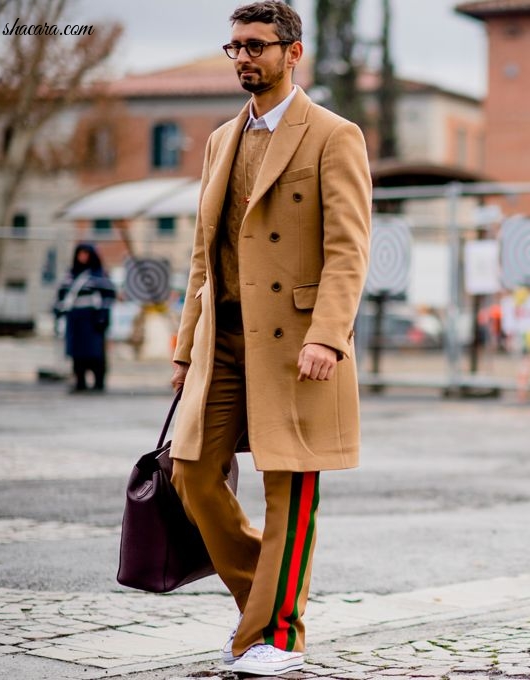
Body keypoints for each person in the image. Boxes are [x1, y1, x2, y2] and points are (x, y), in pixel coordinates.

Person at [167, 2, 371, 676]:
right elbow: (203, 253)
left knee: (290, 490)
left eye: (255, 45)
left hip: (298, 346)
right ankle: (268, 596)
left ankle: (276, 635)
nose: (243, 58)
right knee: (191, 476)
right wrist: (184, 345)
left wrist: (328, 336)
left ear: (294, 52)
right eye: (233, 47)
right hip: (223, 338)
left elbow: (348, 251)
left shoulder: (334, 136)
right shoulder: (221, 140)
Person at [54, 243, 115, 392]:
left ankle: (98, 382)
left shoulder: (99, 275)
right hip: (75, 320)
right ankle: (80, 381)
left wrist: (102, 317)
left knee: (95, 353)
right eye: (80, 254)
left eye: (86, 254)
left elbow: (108, 295)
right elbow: (62, 296)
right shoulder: (70, 275)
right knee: (77, 353)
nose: (83, 257)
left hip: (92, 320)